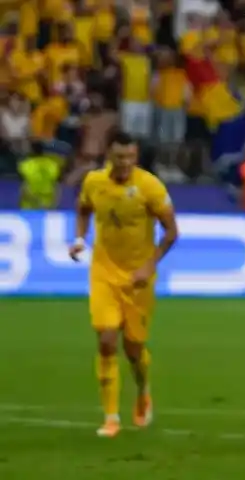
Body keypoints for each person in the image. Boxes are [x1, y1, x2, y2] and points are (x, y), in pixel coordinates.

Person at [69, 130, 180, 438]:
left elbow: (171, 231)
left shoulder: (149, 186)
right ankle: (111, 417)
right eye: (120, 157)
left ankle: (143, 391)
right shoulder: (94, 182)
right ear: (109, 156)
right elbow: (83, 209)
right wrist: (79, 238)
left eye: (130, 157)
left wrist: (149, 265)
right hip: (104, 273)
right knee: (105, 340)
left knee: (133, 348)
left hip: (137, 279)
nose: (125, 163)